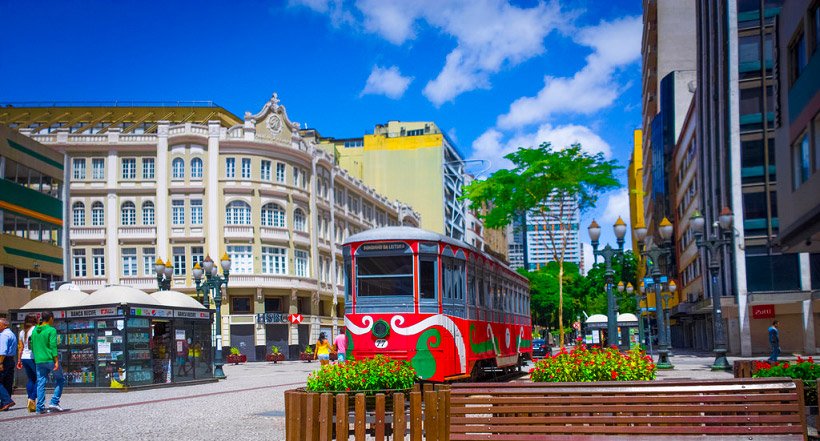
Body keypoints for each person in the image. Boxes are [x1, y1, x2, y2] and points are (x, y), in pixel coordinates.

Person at [31, 311, 65, 413]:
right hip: (50, 359)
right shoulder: (51, 330)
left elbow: (32, 345)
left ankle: (40, 408)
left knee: (40, 383)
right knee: (60, 379)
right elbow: (53, 346)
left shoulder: (35, 330)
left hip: (39, 360)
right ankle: (54, 402)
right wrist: (56, 361)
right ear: (50, 318)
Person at [16, 314, 38, 412]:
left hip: (24, 357)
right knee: (39, 379)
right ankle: (32, 399)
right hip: (33, 357)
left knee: (31, 379)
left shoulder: (22, 332)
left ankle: (30, 399)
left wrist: (19, 360)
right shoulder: (35, 329)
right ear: (34, 320)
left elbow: (20, 347)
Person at [0, 318, 17, 411]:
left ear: (5, 325)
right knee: (7, 382)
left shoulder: (4, 335)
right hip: (10, 359)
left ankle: (6, 401)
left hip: (4, 360)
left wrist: (0, 363)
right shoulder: (11, 334)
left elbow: (3, 351)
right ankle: (5, 404)